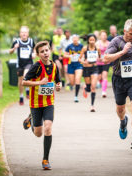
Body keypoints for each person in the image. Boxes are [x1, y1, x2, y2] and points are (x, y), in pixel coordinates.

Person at [104, 19, 132, 151]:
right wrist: (122, 52)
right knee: (120, 109)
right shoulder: (116, 41)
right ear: (124, 31)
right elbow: (106, 57)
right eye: (130, 34)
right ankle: (123, 122)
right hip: (119, 79)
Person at [22, 41, 61, 170]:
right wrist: (39, 83)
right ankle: (31, 119)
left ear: (50, 51)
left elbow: (58, 82)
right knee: (38, 133)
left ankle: (45, 159)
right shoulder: (36, 67)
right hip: (35, 104)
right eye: (42, 51)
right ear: (38, 55)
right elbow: (24, 82)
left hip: (49, 103)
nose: (45, 53)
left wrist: (58, 86)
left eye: (47, 50)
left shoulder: (55, 66)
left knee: (48, 128)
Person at [9, 26, 36, 105]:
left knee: (26, 76)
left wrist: (34, 53)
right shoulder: (17, 41)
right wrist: (14, 48)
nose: (24, 34)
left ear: (27, 34)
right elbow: (9, 52)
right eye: (22, 32)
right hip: (20, 64)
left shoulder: (31, 41)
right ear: (20, 34)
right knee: (20, 81)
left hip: (29, 63)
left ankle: (27, 89)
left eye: (25, 32)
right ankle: (21, 96)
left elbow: (35, 49)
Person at [80, 34, 101, 112]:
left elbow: (99, 58)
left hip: (94, 68)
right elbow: (79, 59)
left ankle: (92, 106)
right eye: (90, 40)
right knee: (89, 88)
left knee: (93, 87)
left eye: (93, 40)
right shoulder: (85, 48)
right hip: (86, 69)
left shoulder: (97, 48)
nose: (92, 41)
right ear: (88, 40)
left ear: (95, 40)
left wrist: (100, 60)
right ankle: (85, 88)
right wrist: (83, 62)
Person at [64, 35, 83, 102]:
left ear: (78, 39)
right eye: (74, 38)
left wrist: (80, 56)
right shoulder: (69, 46)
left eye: (76, 38)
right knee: (72, 82)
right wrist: (70, 55)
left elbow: (84, 54)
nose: (75, 39)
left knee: (77, 79)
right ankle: (72, 85)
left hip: (79, 64)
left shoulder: (81, 46)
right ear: (72, 39)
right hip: (71, 65)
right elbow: (64, 55)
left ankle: (76, 96)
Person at [96, 30, 110, 97]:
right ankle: (101, 84)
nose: (104, 37)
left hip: (106, 62)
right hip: (98, 62)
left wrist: (106, 57)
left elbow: (111, 52)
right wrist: (97, 57)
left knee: (104, 76)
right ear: (100, 36)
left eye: (105, 35)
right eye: (102, 35)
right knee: (99, 77)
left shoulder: (109, 43)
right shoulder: (97, 43)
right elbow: (94, 52)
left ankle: (104, 92)